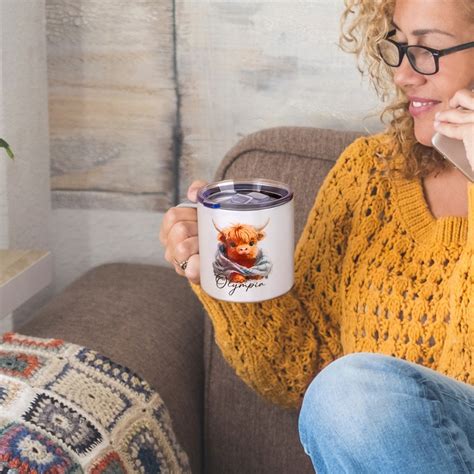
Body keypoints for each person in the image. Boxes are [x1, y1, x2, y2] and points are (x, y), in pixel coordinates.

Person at [160, 0, 474, 471]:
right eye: (398, 46)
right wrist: (231, 277)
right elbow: (306, 378)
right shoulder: (370, 174)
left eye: (428, 49)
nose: (405, 76)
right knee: (349, 391)